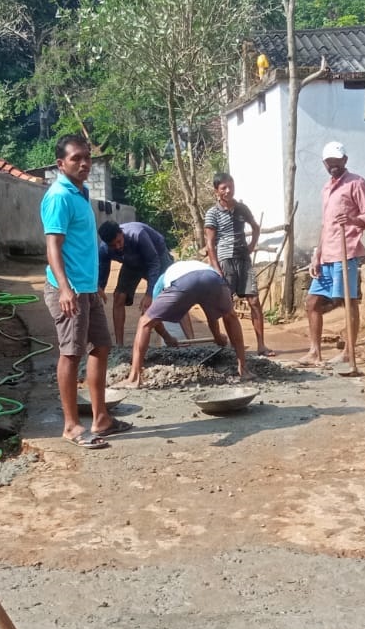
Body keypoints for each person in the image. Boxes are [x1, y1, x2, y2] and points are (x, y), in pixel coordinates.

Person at [44, 135, 118, 449]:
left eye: (86, 157)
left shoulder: (81, 192)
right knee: (71, 354)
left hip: (86, 288)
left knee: (100, 346)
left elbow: (82, 245)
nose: (84, 163)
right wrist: (65, 289)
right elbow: (53, 248)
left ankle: (101, 418)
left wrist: (95, 285)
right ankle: (72, 426)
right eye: (76, 158)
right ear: (61, 164)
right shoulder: (59, 196)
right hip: (68, 290)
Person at [303, 141, 365, 366]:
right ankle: (315, 352)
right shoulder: (326, 188)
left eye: (337, 163)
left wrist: (354, 220)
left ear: (345, 160)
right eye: (329, 163)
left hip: (347, 251)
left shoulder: (356, 183)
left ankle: (348, 352)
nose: (333, 167)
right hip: (327, 253)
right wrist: (317, 255)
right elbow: (325, 225)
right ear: (324, 164)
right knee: (312, 302)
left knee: (348, 302)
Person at [122, 259, 250, 388]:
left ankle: (134, 377)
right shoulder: (196, 266)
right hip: (212, 278)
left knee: (144, 322)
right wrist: (217, 336)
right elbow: (211, 315)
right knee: (230, 316)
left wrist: (167, 337)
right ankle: (243, 370)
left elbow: (154, 320)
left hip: (185, 281)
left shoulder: (162, 281)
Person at [204, 173, 272, 356]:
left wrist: (251, 246)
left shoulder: (242, 208)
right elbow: (210, 244)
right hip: (225, 261)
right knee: (227, 305)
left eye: (230, 186)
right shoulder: (212, 213)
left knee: (255, 302)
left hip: (244, 260)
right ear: (216, 191)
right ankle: (235, 347)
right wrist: (216, 267)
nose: (228, 191)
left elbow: (255, 227)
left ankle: (261, 345)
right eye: (223, 188)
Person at [99, 219, 193, 345]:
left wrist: (149, 294)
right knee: (119, 297)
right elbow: (103, 269)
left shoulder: (138, 234)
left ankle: (192, 341)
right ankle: (119, 346)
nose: (117, 247)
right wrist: (100, 288)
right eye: (113, 245)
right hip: (131, 262)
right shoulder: (104, 249)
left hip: (157, 258)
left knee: (174, 296)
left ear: (121, 232)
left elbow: (153, 263)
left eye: (119, 242)